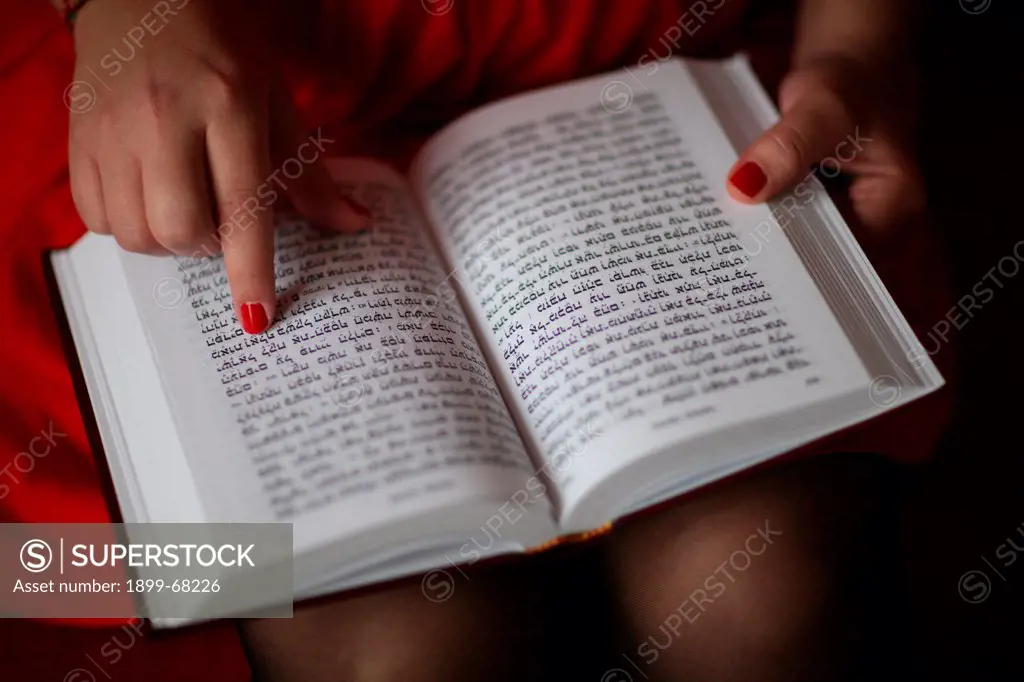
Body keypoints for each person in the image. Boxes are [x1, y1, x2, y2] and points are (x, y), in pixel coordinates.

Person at [59, 0, 945, 680]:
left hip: (648, 92)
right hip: (232, 110)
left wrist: (856, 52)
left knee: (760, 602)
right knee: (397, 656)